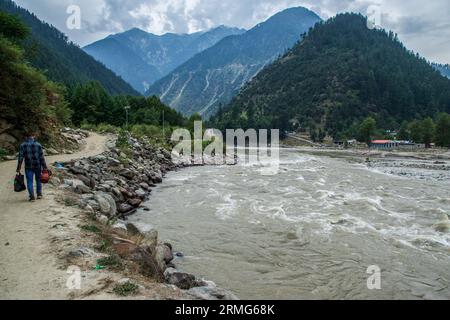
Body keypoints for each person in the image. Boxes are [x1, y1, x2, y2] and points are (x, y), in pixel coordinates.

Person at [16, 132, 47, 202]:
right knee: (38, 180)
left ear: (26, 137)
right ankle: (39, 194)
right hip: (38, 166)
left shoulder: (23, 145)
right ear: (34, 136)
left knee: (30, 181)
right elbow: (41, 157)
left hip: (28, 167)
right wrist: (44, 167)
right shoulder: (38, 145)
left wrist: (18, 168)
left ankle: (32, 197)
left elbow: (20, 158)